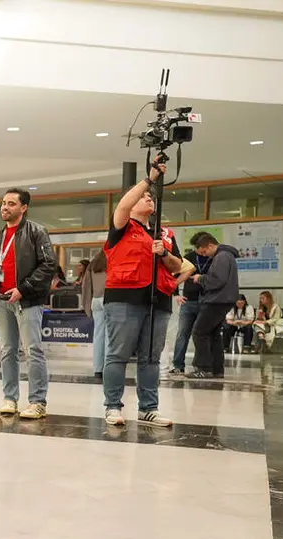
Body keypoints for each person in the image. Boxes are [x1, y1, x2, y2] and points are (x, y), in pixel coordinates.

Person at [101, 160, 185, 427]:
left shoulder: (165, 234)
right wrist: (148, 180)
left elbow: (177, 266)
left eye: (151, 198)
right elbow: (123, 205)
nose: (148, 199)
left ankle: (148, 408)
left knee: (151, 356)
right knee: (118, 354)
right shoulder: (122, 226)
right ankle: (112, 406)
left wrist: (164, 253)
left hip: (158, 299)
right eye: (143, 197)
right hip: (124, 298)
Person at [0, 188, 58, 418]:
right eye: (3, 203)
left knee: (33, 350)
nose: (4, 207)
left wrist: (23, 289)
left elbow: (48, 265)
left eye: (11, 204)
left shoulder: (36, 231)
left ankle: (37, 402)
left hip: (27, 301)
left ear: (23, 208)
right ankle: (10, 398)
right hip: (3, 301)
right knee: (7, 351)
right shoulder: (0, 235)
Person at [187, 232, 240, 378]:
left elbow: (217, 280)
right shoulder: (226, 256)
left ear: (210, 245)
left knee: (199, 332)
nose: (205, 256)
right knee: (214, 335)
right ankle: (217, 369)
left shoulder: (221, 257)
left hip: (217, 300)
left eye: (204, 252)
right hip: (224, 300)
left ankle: (203, 368)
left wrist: (200, 278)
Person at [166, 238, 212, 376]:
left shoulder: (212, 258)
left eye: (205, 251)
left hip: (206, 301)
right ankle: (178, 365)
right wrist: (175, 294)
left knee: (202, 335)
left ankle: (201, 367)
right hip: (188, 301)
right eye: (201, 251)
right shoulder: (189, 257)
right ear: (196, 248)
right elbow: (173, 274)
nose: (203, 254)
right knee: (182, 334)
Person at [81, 249, 107, 378]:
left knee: (98, 335)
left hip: (95, 300)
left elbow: (86, 286)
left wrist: (86, 305)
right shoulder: (112, 262)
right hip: (109, 301)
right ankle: (108, 367)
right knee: (109, 336)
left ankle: (98, 368)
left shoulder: (93, 264)